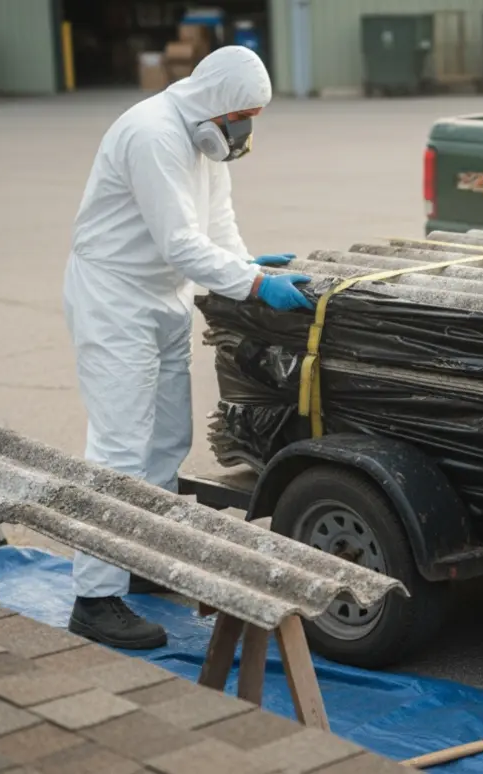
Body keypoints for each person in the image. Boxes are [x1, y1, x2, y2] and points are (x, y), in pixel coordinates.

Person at [63, 45, 314, 650]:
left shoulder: (207, 140)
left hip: (163, 296)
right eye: (244, 115)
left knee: (166, 438)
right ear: (218, 105)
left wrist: (245, 262)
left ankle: (142, 560)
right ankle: (95, 598)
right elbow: (180, 241)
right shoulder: (153, 134)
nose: (246, 128)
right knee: (120, 445)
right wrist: (255, 286)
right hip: (114, 296)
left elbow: (215, 225)